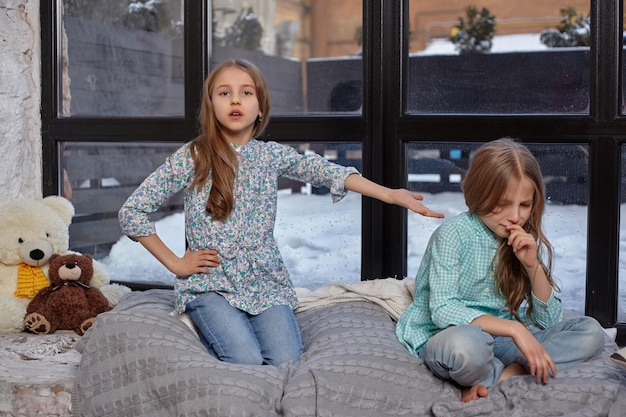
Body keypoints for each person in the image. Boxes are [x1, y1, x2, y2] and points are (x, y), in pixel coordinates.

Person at [119, 59, 444, 366]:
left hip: (265, 281)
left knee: (287, 359)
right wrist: (176, 263)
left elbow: (328, 172)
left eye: (246, 92)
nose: (235, 100)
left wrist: (389, 194)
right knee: (244, 358)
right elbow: (132, 212)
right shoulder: (194, 156)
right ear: (211, 105)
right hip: (210, 283)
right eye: (224, 93)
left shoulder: (270, 155)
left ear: (260, 108)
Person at [396, 138, 606, 402]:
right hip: (449, 335)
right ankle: (512, 374)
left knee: (591, 333)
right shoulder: (452, 235)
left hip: (501, 341)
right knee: (466, 348)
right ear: (479, 193)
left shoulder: (522, 238)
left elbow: (549, 321)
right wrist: (516, 331)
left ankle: (502, 378)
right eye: (503, 204)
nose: (515, 217)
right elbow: (442, 310)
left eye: (525, 205)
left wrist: (532, 266)